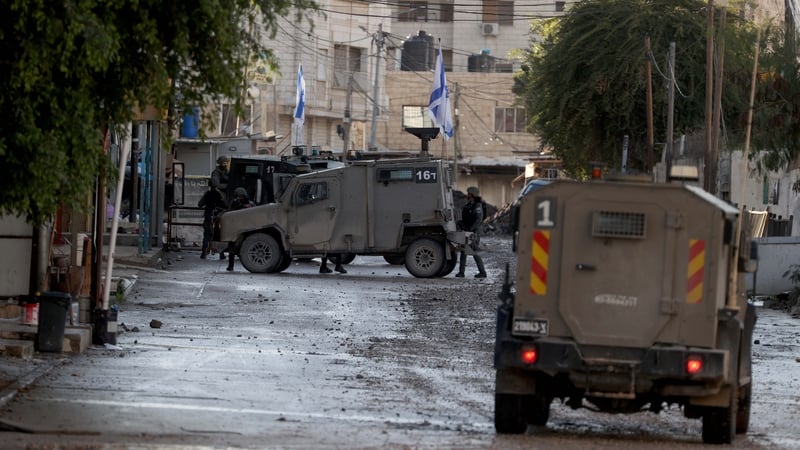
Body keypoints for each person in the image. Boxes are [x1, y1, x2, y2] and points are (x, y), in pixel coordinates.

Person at [456, 186, 487, 278]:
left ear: (473, 195)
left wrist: (471, 230)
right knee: (463, 252)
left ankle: (483, 272)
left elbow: (478, 220)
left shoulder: (477, 205)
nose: (467, 195)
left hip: (473, 232)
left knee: (474, 252)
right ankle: (461, 272)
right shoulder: (469, 204)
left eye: (469, 194)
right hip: (467, 231)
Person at [225, 187, 255, 271]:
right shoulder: (235, 203)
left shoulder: (250, 204)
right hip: (236, 228)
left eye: (241, 196)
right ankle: (231, 266)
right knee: (231, 247)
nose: (240, 198)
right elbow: (230, 212)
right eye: (239, 196)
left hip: (246, 228)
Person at [198, 188, 225, 259]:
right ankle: (221, 254)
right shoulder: (219, 194)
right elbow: (225, 206)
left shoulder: (207, 194)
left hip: (208, 217)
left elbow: (200, 204)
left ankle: (203, 253)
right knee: (218, 235)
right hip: (217, 218)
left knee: (206, 235)